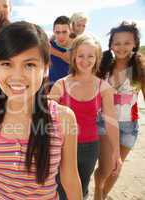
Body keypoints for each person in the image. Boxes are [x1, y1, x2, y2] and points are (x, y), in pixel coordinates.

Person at [0, 21, 82, 200]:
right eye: (6, 64)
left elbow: (70, 178)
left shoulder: (63, 118)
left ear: (46, 68)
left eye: (30, 65)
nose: (17, 76)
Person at [49, 34, 121, 200]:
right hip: (62, 146)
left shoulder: (103, 87)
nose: (85, 60)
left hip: (90, 146)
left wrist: (116, 152)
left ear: (97, 58)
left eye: (91, 56)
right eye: (81, 55)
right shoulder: (61, 85)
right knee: (60, 188)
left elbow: (111, 121)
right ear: (74, 57)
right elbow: (47, 119)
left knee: (82, 188)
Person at [95, 21, 145, 199]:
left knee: (116, 170)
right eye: (117, 43)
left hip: (129, 127)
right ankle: (97, 193)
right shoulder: (104, 66)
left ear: (135, 44)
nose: (121, 47)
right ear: (111, 45)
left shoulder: (140, 69)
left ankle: (101, 194)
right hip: (105, 124)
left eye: (127, 43)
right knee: (106, 168)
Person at [49, 16, 72, 87]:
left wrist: (52, 51)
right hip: (53, 91)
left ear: (70, 31)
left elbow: (70, 59)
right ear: (53, 31)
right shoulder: (50, 44)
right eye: (57, 32)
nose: (61, 36)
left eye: (64, 32)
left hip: (73, 91)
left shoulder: (77, 45)